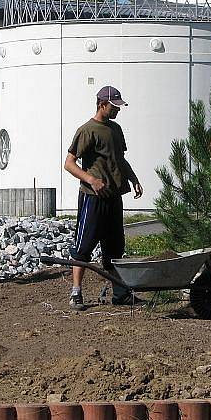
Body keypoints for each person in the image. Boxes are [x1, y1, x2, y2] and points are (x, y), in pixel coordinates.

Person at [63, 86, 143, 310]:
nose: (118, 110)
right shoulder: (87, 130)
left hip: (114, 197)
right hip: (93, 198)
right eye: (114, 106)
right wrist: (91, 179)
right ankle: (76, 293)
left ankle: (120, 292)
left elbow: (120, 159)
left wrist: (133, 178)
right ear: (102, 105)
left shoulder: (116, 129)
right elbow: (69, 163)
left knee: (115, 248)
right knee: (83, 246)